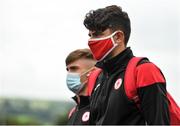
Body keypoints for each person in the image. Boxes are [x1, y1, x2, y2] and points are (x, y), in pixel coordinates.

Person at [83, 5, 171, 125]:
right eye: (90, 35)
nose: (91, 41)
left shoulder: (144, 71)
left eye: (97, 34)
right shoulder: (96, 77)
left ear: (118, 37)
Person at [65, 48, 97, 125]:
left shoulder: (102, 108)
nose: (69, 73)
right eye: (67, 70)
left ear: (92, 72)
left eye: (74, 68)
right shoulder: (73, 111)